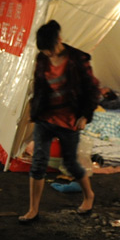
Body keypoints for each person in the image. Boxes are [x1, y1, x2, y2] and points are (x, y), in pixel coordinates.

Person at [20, 20, 98, 223]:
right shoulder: (42, 58)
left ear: (59, 40)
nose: (48, 54)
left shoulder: (78, 59)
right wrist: (34, 110)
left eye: (50, 49)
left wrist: (85, 116)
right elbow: (39, 86)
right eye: (44, 51)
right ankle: (33, 209)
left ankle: (89, 195)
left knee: (70, 163)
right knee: (38, 162)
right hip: (45, 117)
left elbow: (92, 89)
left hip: (69, 119)